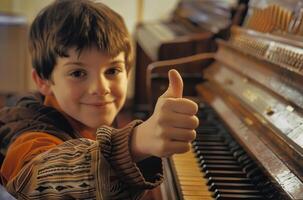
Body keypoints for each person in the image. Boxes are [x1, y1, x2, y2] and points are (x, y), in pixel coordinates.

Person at [0, 0, 199, 199]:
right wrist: (134, 144)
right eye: (78, 73)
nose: (101, 88)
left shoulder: (82, 113)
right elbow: (39, 179)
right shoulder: (28, 136)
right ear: (43, 81)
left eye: (112, 70)